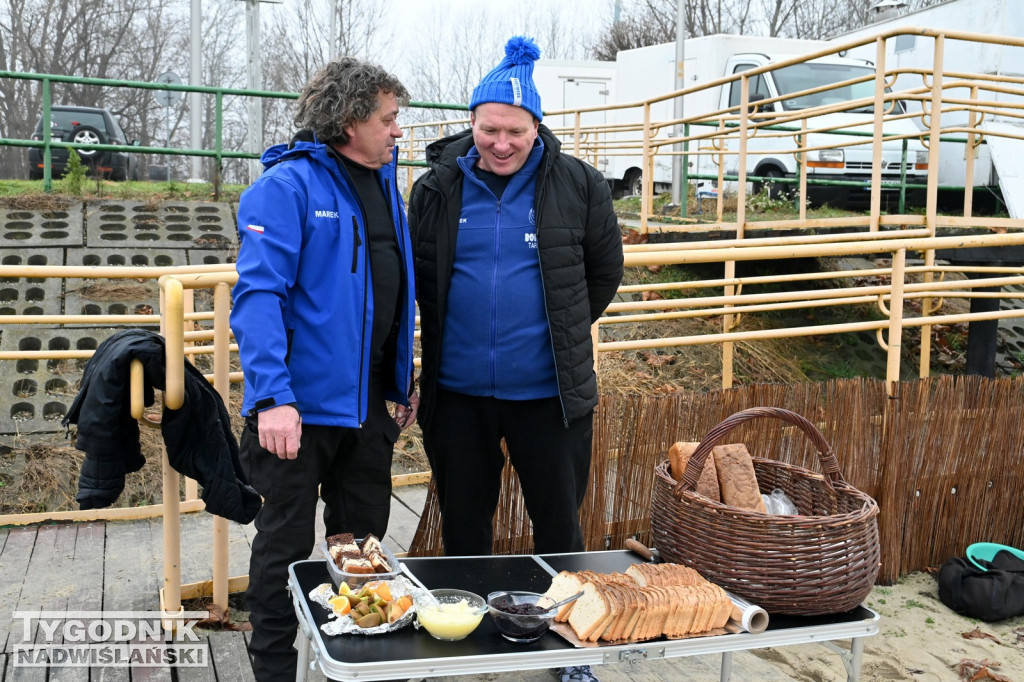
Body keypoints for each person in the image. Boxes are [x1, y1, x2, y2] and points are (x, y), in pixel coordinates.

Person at [229, 57, 417, 682]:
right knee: (283, 546)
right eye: (388, 120)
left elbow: (385, 291)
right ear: (347, 121)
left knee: (363, 545)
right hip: (298, 411)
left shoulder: (388, 182)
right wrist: (272, 399)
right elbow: (258, 299)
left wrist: (400, 380)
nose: (397, 131)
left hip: (366, 407)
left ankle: (355, 664)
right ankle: (277, 671)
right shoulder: (286, 189)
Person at [408, 35, 623, 558]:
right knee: (463, 530)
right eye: (489, 129)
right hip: (457, 395)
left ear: (537, 128)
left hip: (549, 397)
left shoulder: (580, 184)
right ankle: (467, 626)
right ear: (472, 123)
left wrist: (558, 324)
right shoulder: (434, 189)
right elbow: (417, 276)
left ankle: (560, 621)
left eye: (515, 131)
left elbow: (604, 272)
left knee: (557, 530)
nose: (501, 144)